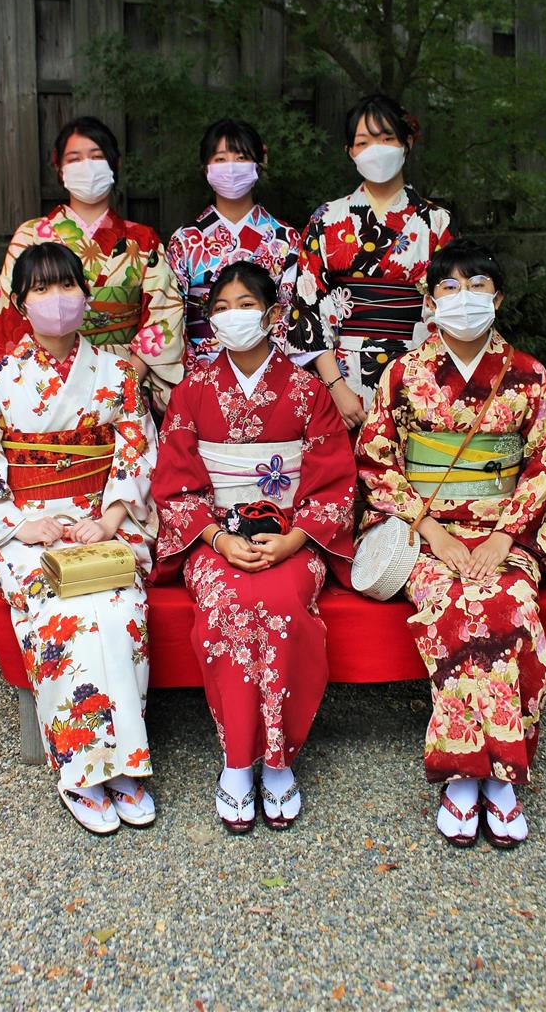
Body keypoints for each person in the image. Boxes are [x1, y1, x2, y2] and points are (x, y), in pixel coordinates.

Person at [355, 238, 546, 848]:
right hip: (425, 531)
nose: (465, 298)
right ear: (431, 302)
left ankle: (500, 776)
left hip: (504, 530)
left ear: (499, 298)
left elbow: (544, 462)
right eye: (450, 287)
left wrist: (505, 536)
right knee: (453, 607)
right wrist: (432, 532)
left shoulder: (528, 375)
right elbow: (377, 458)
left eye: (478, 285)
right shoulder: (403, 374)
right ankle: (466, 774)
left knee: (509, 605)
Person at [0, 242, 160, 835]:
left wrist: (111, 519)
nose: (57, 299)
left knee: (116, 608)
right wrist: (21, 524)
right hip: (26, 529)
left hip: (102, 519)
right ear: (20, 304)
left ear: (86, 296)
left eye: (67, 285)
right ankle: (81, 770)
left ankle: (127, 763)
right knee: (63, 613)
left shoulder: (117, 375)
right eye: (41, 289)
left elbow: (138, 450)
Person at [151, 261, 355, 833]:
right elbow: (175, 483)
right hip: (214, 538)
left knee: (284, 604)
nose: (232, 316)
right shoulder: (193, 391)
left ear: (273, 314)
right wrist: (216, 538)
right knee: (227, 604)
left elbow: (333, 480)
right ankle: (238, 760)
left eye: (245, 305)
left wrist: (293, 541)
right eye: (220, 308)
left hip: (293, 535)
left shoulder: (308, 390)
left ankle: (280, 760)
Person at [0, 116, 184, 411]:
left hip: (125, 372)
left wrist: (127, 379)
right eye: (74, 158)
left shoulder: (142, 240)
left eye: (96, 157)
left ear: (115, 164)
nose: (87, 166)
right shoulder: (30, 236)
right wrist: (41, 377)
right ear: (59, 168)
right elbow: (11, 313)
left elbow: (164, 314)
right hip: (45, 378)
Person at [288, 93, 451, 428]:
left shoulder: (436, 221)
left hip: (418, 370)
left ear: (407, 143)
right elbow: (307, 307)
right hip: (340, 374)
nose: (376, 149)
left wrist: (423, 377)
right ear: (350, 151)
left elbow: (449, 304)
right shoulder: (326, 218)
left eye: (387, 138)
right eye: (363, 142)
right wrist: (335, 387)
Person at [166, 117, 299, 368]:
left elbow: (286, 313)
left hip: (267, 364)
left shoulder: (285, 238)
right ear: (205, 167)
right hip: (200, 365)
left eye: (241, 158)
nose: (231, 167)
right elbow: (172, 317)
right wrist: (193, 371)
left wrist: (274, 370)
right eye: (220, 159)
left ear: (259, 164)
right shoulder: (184, 240)